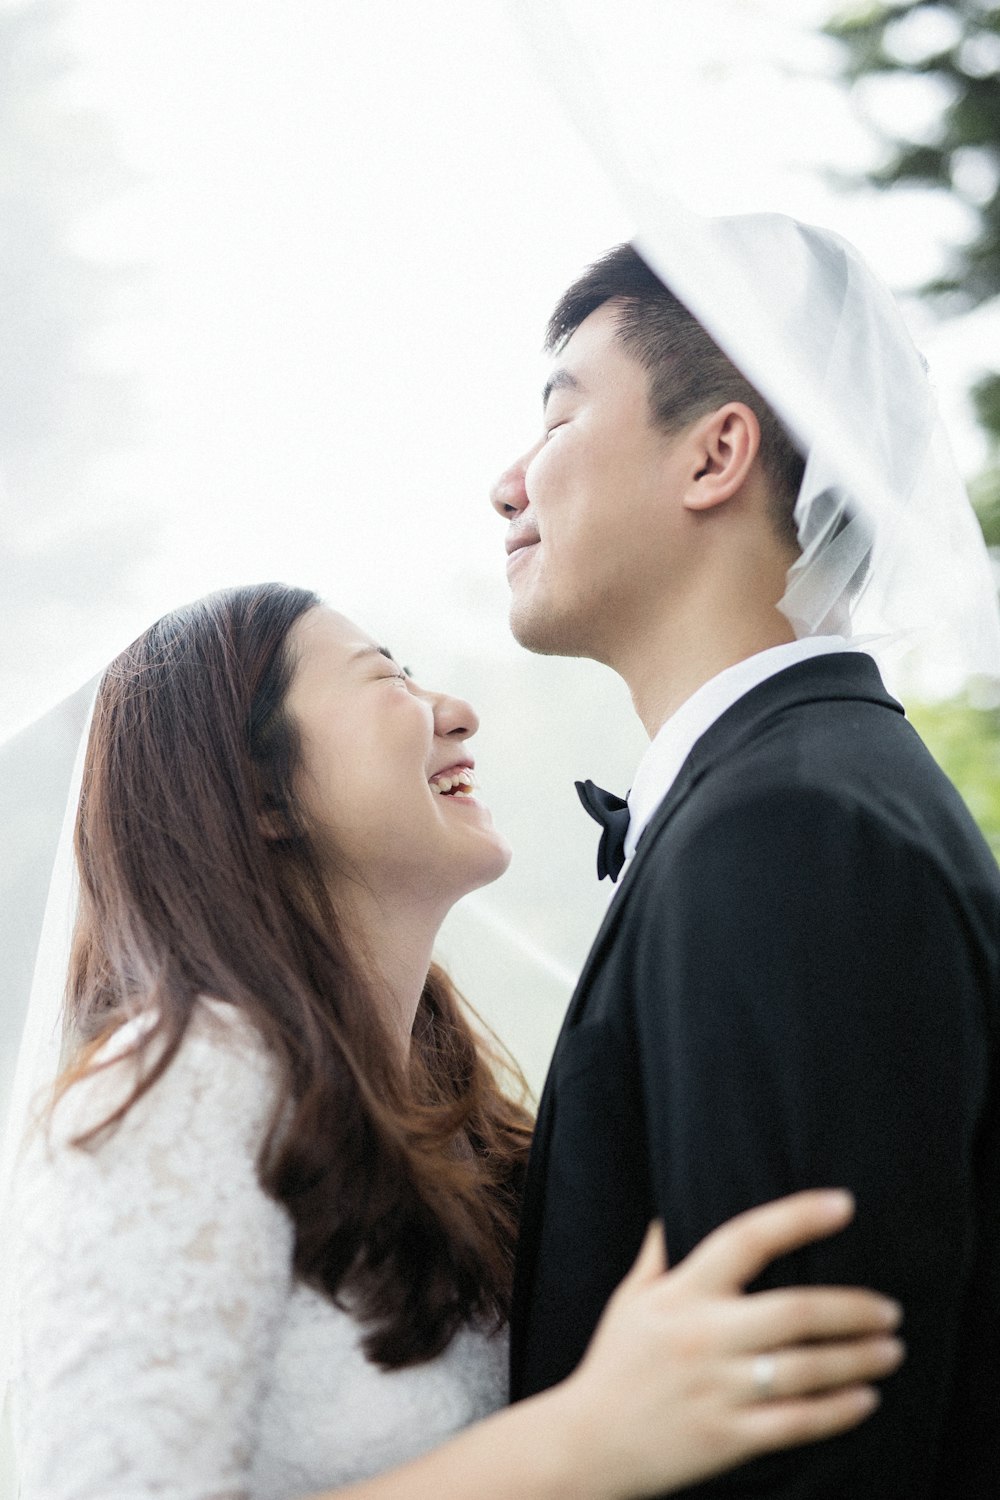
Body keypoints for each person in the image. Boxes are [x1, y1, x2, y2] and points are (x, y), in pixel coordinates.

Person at [10, 582, 904, 1500]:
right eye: (386, 677)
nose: (459, 712)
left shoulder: (450, 1104)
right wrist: (585, 1439)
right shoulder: (183, 1082)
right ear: (261, 791)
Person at [491, 240, 1000, 1497]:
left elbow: (798, 1438)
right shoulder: (804, 793)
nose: (506, 483)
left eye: (557, 414)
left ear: (716, 455)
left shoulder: (791, 835)